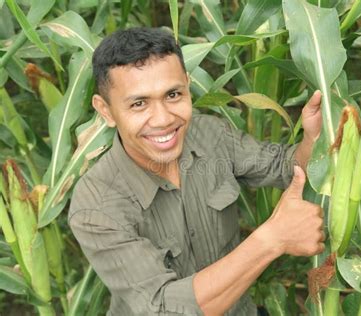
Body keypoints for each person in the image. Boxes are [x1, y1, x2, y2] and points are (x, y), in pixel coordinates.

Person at [69, 27, 325, 316]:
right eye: (139, 104)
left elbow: (287, 167)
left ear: (188, 87)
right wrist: (272, 238)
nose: (164, 119)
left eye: (173, 94)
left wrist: (314, 138)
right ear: (105, 110)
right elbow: (164, 309)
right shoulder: (96, 207)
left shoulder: (211, 135)